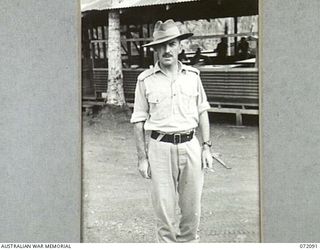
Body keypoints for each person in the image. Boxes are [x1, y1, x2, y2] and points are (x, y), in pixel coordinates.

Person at [130, 19, 213, 243]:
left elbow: (203, 111)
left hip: (191, 146)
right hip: (160, 149)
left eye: (172, 44)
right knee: (164, 213)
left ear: (180, 46)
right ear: (155, 49)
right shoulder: (145, 80)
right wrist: (142, 158)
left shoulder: (193, 76)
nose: (167, 50)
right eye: (162, 45)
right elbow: (138, 120)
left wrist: (206, 147)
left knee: (192, 210)